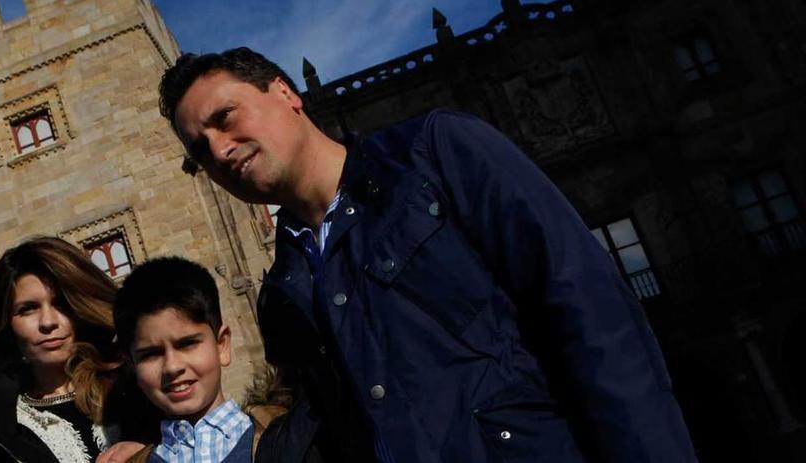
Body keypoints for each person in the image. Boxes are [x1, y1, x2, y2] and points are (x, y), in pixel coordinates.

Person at [157, 48, 698, 462]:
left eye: (226, 118)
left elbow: (592, 317)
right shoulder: (282, 293)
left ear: (284, 91)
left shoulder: (438, 157)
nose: (220, 150)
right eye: (200, 149)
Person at [0, 236, 157, 463]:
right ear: (6, 325)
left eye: (61, 304)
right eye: (28, 309)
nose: (48, 322)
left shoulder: (140, 383)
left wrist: (149, 452)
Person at [113, 256, 321, 463]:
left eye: (187, 344)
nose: (172, 366)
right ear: (132, 366)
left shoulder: (295, 439)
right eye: (151, 354)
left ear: (222, 344)